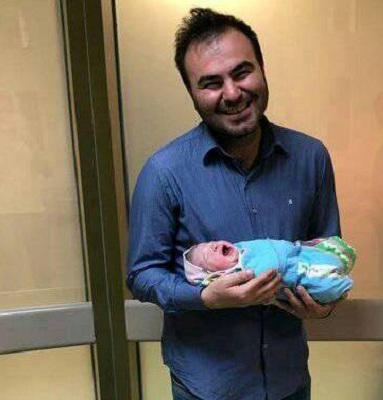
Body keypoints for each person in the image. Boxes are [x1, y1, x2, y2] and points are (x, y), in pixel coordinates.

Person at [126, 8, 342, 400]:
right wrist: (205, 298)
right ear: (192, 94)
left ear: (262, 68)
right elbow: (142, 274)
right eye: (211, 83)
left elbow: (328, 254)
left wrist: (322, 304)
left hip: (289, 381)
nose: (231, 93)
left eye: (242, 73)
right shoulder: (164, 172)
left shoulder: (310, 157)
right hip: (206, 387)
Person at [184, 237, 356, 304]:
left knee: (332, 248)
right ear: (216, 275)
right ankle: (340, 286)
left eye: (210, 243)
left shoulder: (241, 248)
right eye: (207, 255)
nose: (212, 246)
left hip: (301, 251)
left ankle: (342, 258)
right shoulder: (241, 275)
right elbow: (272, 268)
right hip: (299, 275)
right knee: (325, 286)